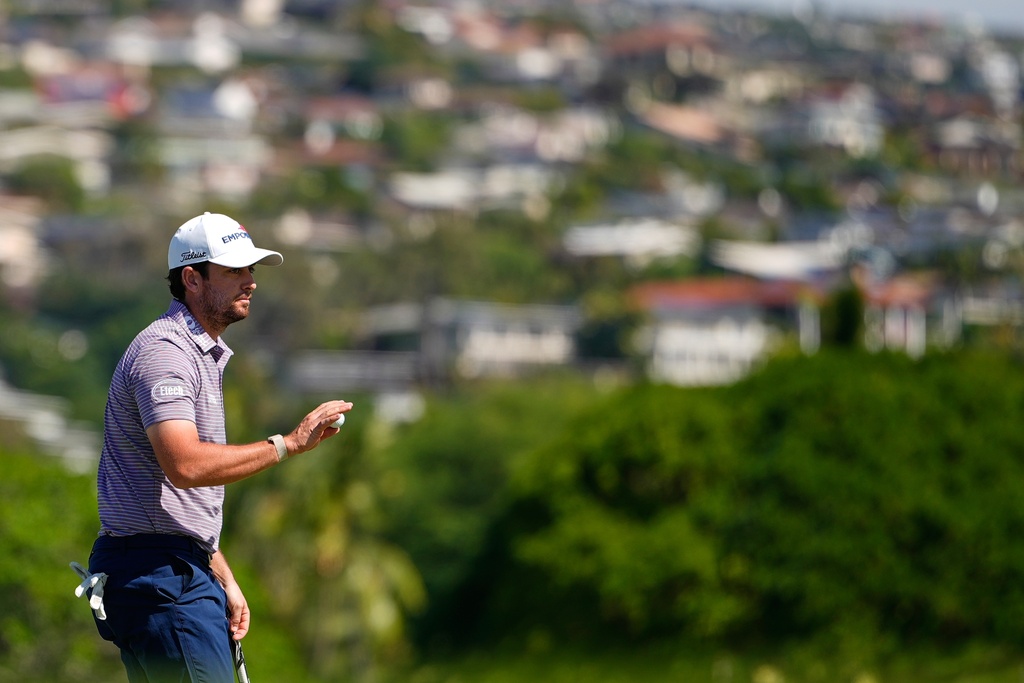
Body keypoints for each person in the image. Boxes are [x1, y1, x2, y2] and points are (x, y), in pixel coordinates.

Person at [84, 212, 352, 682]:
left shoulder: (196, 353)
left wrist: (220, 574)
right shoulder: (166, 352)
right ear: (192, 278)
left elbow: (179, 506)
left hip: (173, 571)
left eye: (251, 270)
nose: (250, 282)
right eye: (234, 271)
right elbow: (185, 466)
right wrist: (287, 444)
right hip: (160, 579)